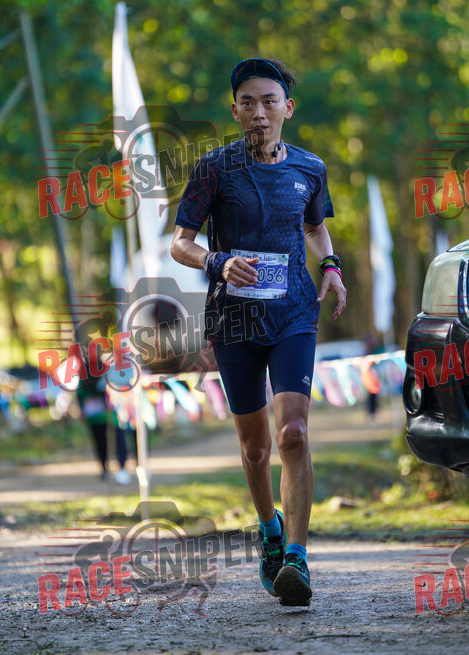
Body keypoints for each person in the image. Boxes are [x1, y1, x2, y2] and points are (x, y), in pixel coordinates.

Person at [170, 57, 346, 606]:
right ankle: (270, 529)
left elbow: (315, 227)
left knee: (293, 433)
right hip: (234, 319)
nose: (259, 112)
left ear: (287, 108)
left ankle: (297, 556)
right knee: (255, 447)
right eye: (248, 103)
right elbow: (180, 243)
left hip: (293, 313)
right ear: (235, 111)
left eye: (270, 101)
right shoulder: (214, 169)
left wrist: (332, 266)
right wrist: (218, 262)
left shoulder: (310, 167)